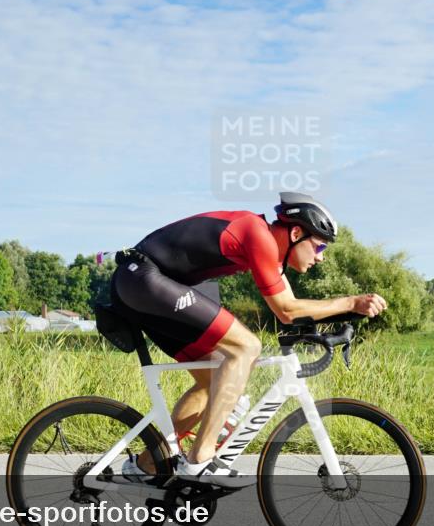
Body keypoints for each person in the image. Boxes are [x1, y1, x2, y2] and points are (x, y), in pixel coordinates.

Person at [112, 191, 387, 487]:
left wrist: (341, 318)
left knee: (213, 379)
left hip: (151, 285)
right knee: (246, 347)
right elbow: (286, 309)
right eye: (319, 246)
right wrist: (350, 303)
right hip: (143, 278)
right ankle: (200, 460)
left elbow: (290, 313)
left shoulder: (269, 249)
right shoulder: (257, 234)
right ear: (296, 233)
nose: (321, 257)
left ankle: (147, 464)